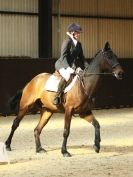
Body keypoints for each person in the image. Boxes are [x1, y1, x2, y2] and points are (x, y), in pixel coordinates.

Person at [53, 23, 88, 105]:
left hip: (72, 66)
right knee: (67, 76)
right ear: (72, 32)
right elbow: (63, 56)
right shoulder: (67, 42)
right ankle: (57, 96)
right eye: (77, 32)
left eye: (79, 32)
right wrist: (67, 67)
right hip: (62, 64)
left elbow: (82, 58)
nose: (79, 34)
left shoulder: (79, 44)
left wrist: (88, 67)